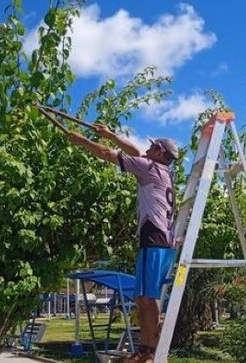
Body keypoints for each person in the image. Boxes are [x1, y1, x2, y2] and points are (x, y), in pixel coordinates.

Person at [67, 125, 178, 363]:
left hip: (154, 239)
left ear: (160, 152)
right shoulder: (163, 171)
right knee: (142, 298)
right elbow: (136, 151)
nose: (147, 149)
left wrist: (82, 142)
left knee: (147, 299)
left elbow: (109, 155)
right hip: (160, 241)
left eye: (152, 147)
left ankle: (148, 352)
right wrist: (109, 134)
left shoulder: (148, 168)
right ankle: (145, 349)